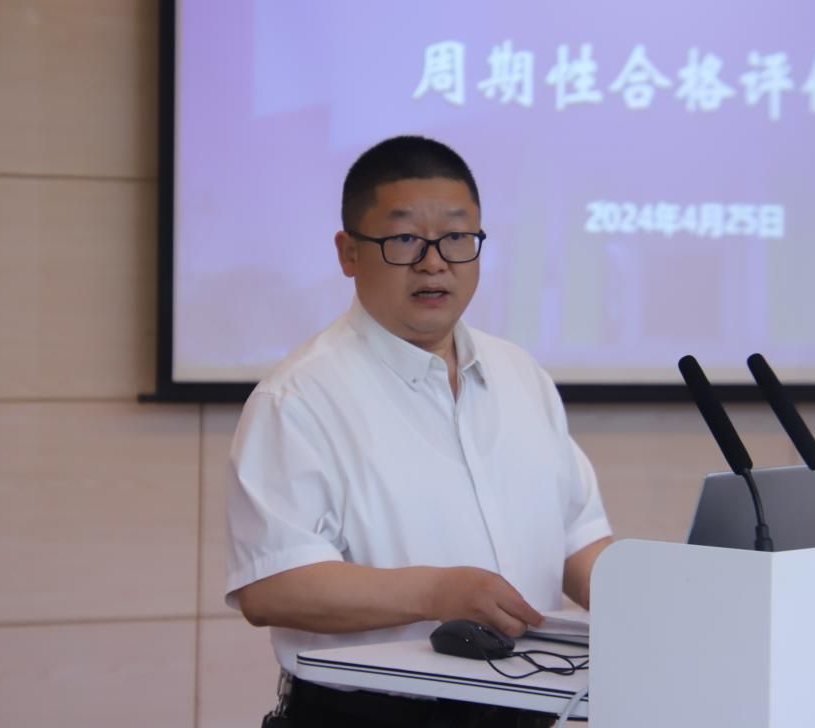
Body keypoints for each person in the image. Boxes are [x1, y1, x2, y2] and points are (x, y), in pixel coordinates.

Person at [226, 135, 613, 727]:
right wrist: (434, 594)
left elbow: (578, 541)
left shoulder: (521, 375)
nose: (434, 262)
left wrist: (653, 599)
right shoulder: (299, 397)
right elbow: (272, 585)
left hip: (532, 707)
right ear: (349, 253)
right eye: (405, 238)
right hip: (369, 718)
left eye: (457, 237)